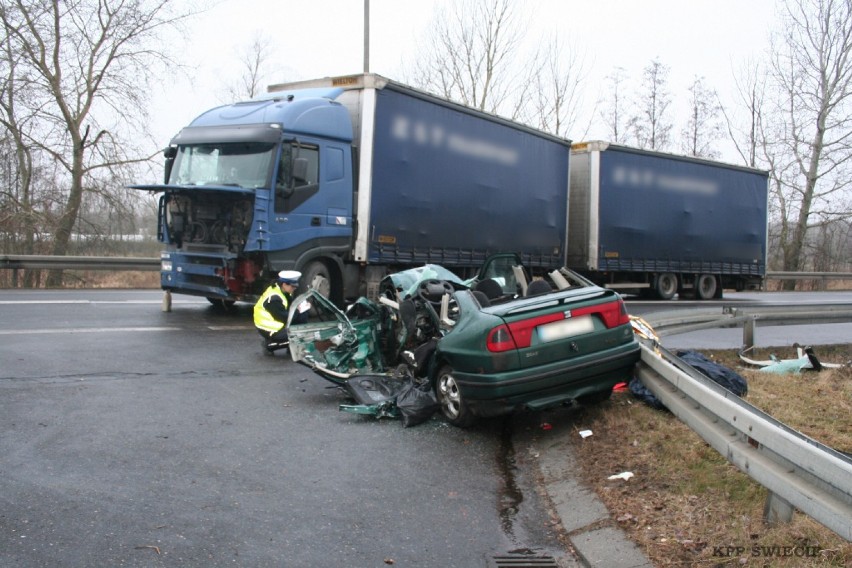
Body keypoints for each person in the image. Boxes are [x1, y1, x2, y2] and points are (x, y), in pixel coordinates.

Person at [254, 270, 301, 356]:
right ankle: (269, 345)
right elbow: (284, 318)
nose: (294, 289)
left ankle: (291, 347)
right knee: (298, 335)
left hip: (276, 323)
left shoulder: (282, 290)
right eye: (292, 286)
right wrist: (298, 311)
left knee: (301, 319)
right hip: (270, 329)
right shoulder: (274, 299)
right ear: (284, 284)